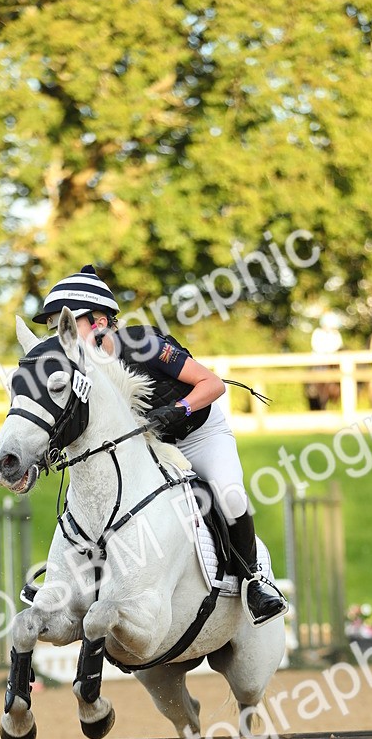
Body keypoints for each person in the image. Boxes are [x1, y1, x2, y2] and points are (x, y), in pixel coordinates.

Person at [31, 265, 288, 625]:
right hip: (149, 444)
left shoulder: (143, 344)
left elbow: (212, 384)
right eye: (53, 326)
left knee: (229, 493)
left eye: (69, 322)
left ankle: (254, 581)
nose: (60, 334)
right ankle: (71, 580)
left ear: (100, 321)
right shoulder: (79, 371)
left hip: (200, 433)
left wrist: (176, 409)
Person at [305, 311, 343, 410]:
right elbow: (316, 346)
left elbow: (338, 346)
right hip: (319, 361)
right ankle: (312, 390)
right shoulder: (318, 333)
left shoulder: (336, 334)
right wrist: (327, 352)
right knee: (314, 375)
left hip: (332, 361)